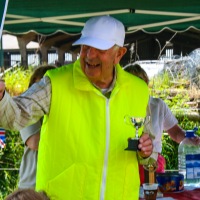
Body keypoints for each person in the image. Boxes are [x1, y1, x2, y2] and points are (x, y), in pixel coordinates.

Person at [0, 16, 153, 200]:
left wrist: (146, 151)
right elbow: (15, 116)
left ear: (119, 54)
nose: (90, 55)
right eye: (85, 47)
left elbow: (148, 148)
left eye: (99, 49)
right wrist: (1, 97)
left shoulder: (139, 90)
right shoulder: (54, 83)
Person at [124, 63, 186, 183]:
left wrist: (191, 139)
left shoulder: (157, 106)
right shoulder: (118, 107)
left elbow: (176, 133)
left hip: (153, 166)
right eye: (130, 84)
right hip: (125, 167)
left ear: (146, 84)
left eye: (139, 83)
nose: (135, 88)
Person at [18, 65, 56, 189]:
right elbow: (35, 142)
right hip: (31, 185)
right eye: (37, 87)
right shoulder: (25, 109)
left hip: (56, 186)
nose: (41, 93)